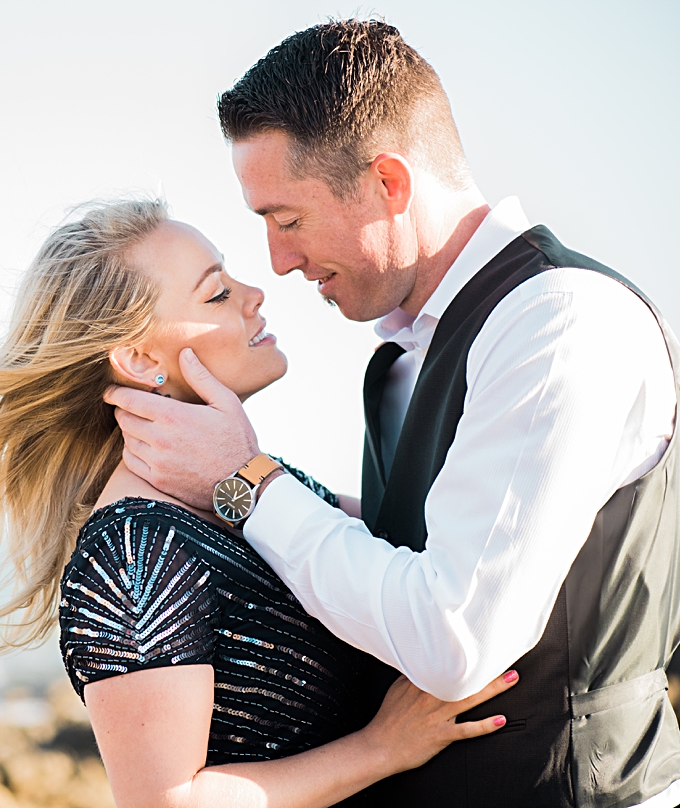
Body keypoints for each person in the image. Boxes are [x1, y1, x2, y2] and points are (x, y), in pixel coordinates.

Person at [105, 19, 680, 808]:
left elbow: (455, 642)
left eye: (287, 219)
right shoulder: (409, 352)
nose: (278, 262)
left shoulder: (558, 325)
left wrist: (247, 483)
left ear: (389, 183)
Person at [0, 197, 518, 807]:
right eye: (218, 291)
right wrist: (383, 748)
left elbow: (407, 542)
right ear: (141, 359)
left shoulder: (249, 488)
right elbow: (165, 803)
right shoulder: (133, 550)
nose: (256, 294)